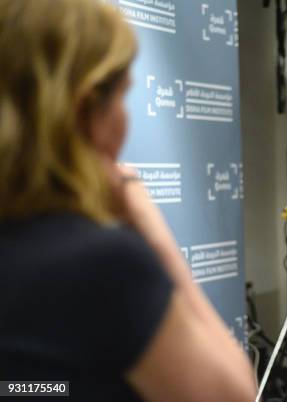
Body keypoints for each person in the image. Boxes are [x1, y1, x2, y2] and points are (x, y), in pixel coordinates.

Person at [0, 1, 256, 401]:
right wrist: (149, 226)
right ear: (87, 107)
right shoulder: (103, 265)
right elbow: (232, 394)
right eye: (122, 96)